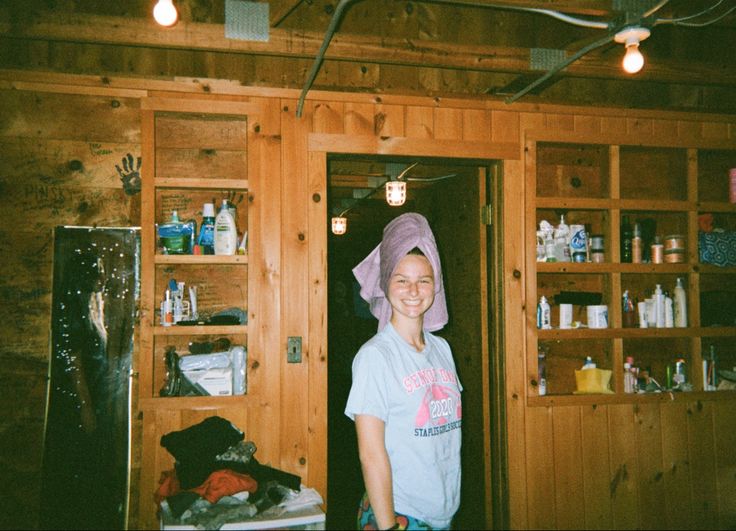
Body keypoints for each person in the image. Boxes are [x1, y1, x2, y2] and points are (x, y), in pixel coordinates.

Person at [345, 212, 462, 530]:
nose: (413, 290)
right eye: (402, 280)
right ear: (386, 284)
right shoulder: (375, 357)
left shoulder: (443, 351)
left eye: (423, 280)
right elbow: (371, 454)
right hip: (399, 513)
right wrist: (388, 526)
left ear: (435, 286)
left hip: (442, 511)